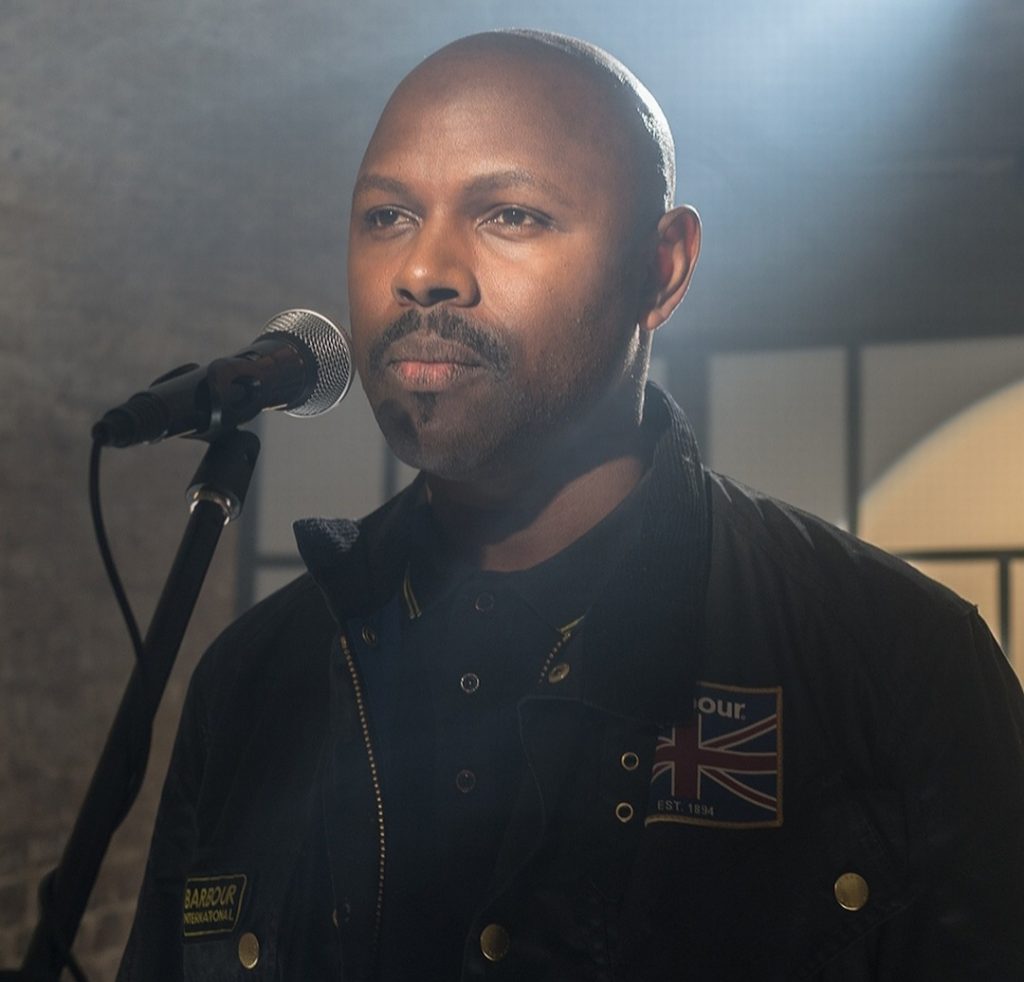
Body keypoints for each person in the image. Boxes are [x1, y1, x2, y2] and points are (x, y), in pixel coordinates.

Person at [118, 30, 1024, 982]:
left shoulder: (897, 664)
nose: (422, 270)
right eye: (387, 215)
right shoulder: (251, 685)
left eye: (510, 214)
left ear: (661, 269)